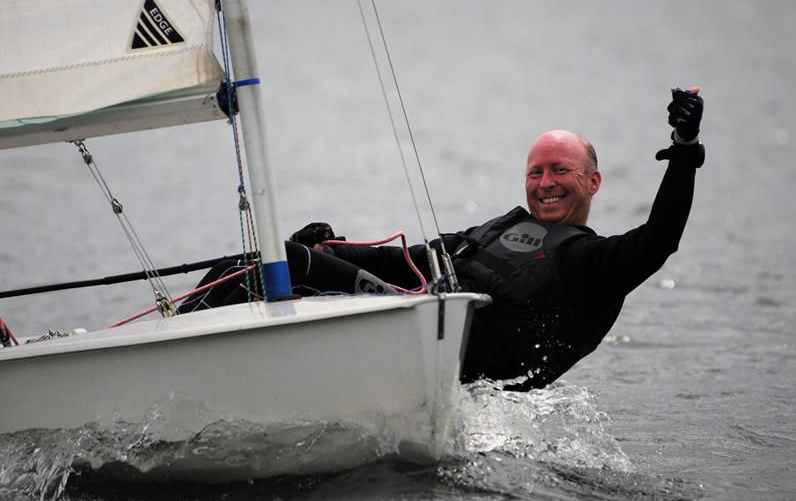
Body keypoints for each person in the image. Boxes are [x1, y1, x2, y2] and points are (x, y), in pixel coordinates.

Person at [183, 87, 704, 391]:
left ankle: (180, 357)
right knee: (271, 258)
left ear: (593, 180)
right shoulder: (500, 229)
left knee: (285, 262)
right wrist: (334, 249)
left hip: (442, 358)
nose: (545, 182)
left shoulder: (594, 262)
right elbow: (405, 259)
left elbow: (660, 239)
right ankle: (176, 338)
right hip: (404, 324)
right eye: (535, 171)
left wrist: (683, 148)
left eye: (560, 170)